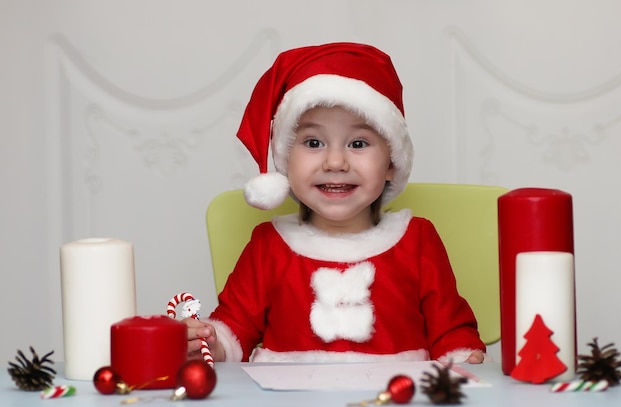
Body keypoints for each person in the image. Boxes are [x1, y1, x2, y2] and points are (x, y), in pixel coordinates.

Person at [186, 42, 486, 364]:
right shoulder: (268, 246)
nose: (335, 161)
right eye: (314, 142)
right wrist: (210, 345)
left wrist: (463, 357)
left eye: (358, 143)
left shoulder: (417, 241)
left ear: (391, 164)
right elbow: (235, 328)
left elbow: (451, 331)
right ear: (286, 160)